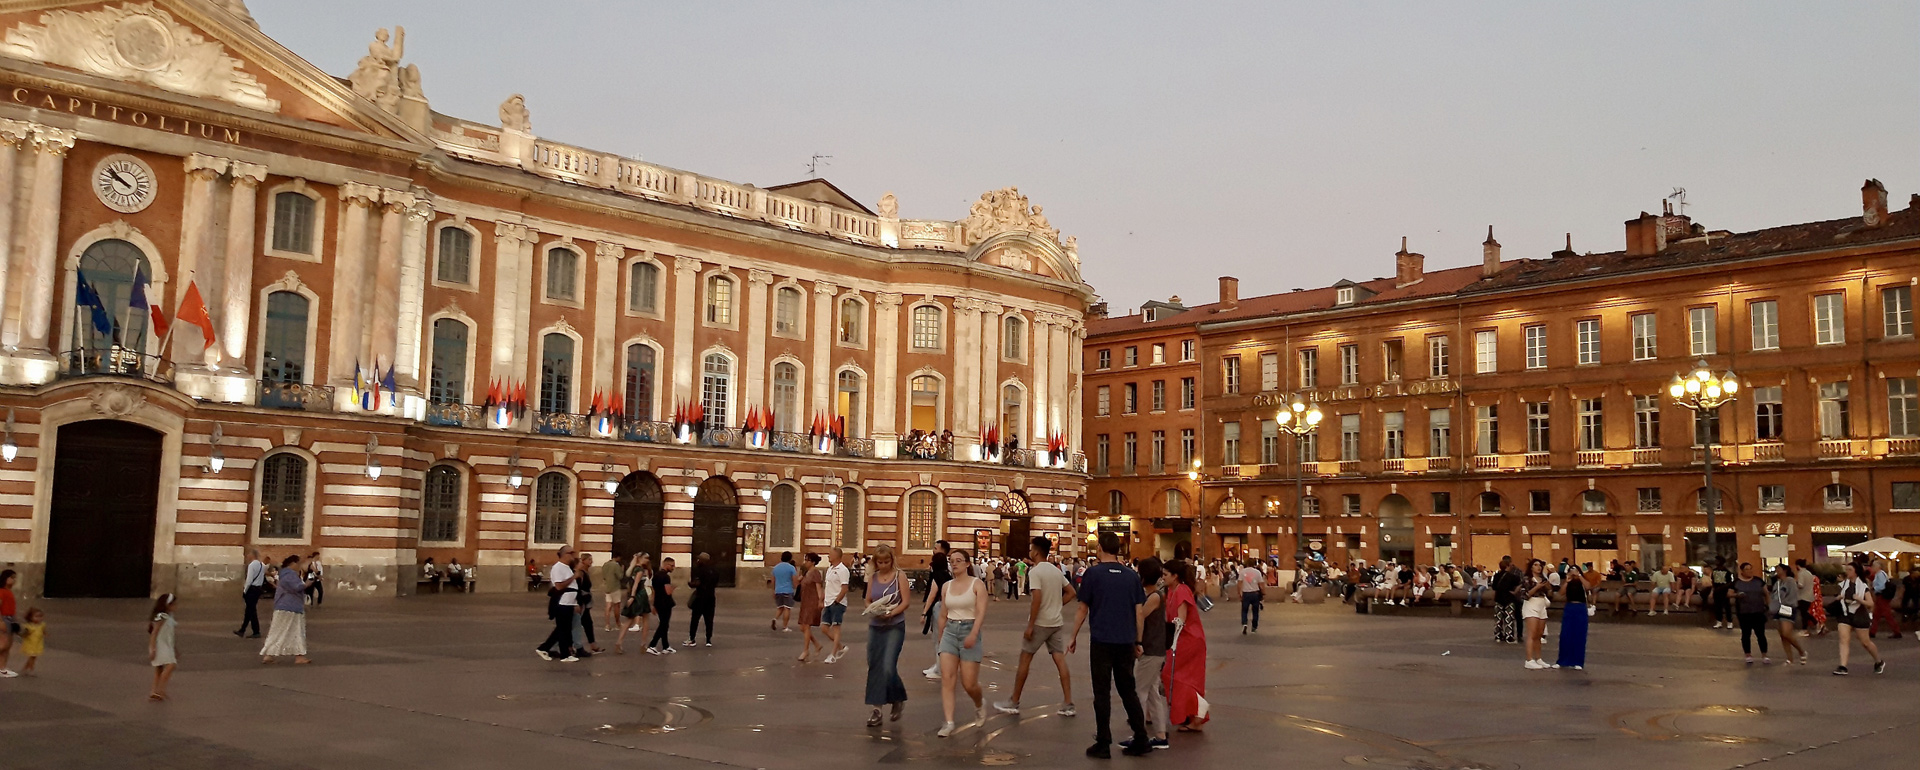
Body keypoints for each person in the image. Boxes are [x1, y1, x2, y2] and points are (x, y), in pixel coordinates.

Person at [1067, 532, 1151, 758]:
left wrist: (1073, 636)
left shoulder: (1093, 574)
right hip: (1125, 641)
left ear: (1100, 549)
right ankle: (1141, 737)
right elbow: (1139, 612)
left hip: (1102, 641)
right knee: (1128, 690)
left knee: (1101, 692)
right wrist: (1138, 640)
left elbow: (1082, 609)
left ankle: (1103, 742)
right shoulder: (1131, 576)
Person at [995, 536, 1078, 717]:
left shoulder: (1035, 572)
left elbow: (1037, 599)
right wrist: (1057, 605)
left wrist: (1030, 625)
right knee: (1060, 662)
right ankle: (1068, 703)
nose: (1029, 552)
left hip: (1041, 623)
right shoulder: (1056, 571)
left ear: (1037, 552)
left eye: (1031, 549)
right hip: (1056, 622)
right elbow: (1071, 592)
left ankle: (1014, 701)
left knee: (1025, 660)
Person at [934, 548, 988, 738]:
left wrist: (973, 633)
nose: (954, 563)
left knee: (969, 683)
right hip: (950, 631)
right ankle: (948, 722)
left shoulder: (977, 584)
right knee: (947, 679)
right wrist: (941, 637)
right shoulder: (946, 586)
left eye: (958, 560)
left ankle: (980, 704)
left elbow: (981, 612)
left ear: (967, 564)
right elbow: (942, 614)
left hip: (969, 629)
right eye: (951, 560)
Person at [863, 545, 910, 727]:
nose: (883, 565)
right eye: (879, 562)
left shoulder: (900, 576)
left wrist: (891, 613)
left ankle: (898, 698)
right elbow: (867, 598)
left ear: (892, 560)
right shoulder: (873, 577)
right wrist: (871, 608)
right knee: (874, 665)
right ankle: (877, 709)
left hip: (894, 626)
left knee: (888, 666)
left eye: (886, 562)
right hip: (876, 625)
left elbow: (905, 602)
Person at [1165, 559, 1209, 734]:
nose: (1163, 578)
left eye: (1166, 574)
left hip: (1187, 639)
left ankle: (1197, 710)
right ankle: (1192, 713)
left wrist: (1172, 641)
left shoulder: (1181, 591)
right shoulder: (1172, 590)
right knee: (1182, 677)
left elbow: (1180, 619)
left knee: (1176, 676)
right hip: (1185, 638)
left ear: (1175, 576)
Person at [1133, 557, 1172, 750]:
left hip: (1150, 649)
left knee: (1139, 691)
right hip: (1156, 650)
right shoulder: (1155, 595)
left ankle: (1138, 735)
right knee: (1152, 692)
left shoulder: (1154, 597)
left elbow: (1139, 616)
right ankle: (1160, 735)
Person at [260, 553, 315, 664]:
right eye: (298, 563)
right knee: (296, 631)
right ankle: (297, 656)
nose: (299, 566)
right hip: (289, 607)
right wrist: (307, 584)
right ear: (293, 563)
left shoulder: (285, 574)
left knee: (280, 631)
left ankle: (271, 654)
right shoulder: (289, 575)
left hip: (286, 606)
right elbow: (296, 587)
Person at [1832, 563, 1885, 675]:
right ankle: (1843, 666)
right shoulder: (1843, 584)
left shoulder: (1863, 586)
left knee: (1865, 642)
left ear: (1856, 571)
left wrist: (1860, 600)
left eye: (1850, 569)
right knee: (1843, 639)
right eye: (1846, 569)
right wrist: (1839, 598)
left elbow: (1870, 603)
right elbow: (1839, 596)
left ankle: (1878, 661)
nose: (1847, 572)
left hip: (1859, 615)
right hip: (1845, 614)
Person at [535, 545, 581, 662]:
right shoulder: (558, 568)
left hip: (569, 602)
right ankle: (563, 654)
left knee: (563, 629)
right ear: (565, 554)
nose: (573, 556)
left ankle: (548, 649)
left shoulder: (567, 567)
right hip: (562, 602)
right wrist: (573, 577)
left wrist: (575, 603)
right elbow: (559, 586)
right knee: (562, 629)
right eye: (571, 553)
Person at [921, 540, 953, 679]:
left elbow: (932, 594)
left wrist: (924, 612)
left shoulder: (940, 572)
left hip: (939, 606)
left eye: (935, 548)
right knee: (941, 638)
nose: (933, 551)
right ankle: (938, 665)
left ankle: (941, 669)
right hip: (946, 605)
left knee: (939, 639)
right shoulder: (947, 572)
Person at [1730, 562, 1772, 664]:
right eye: (1747, 569)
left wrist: (1768, 606)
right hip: (1744, 612)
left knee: (1761, 634)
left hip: (1758, 611)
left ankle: (1764, 654)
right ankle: (1748, 654)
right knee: (1746, 634)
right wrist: (1737, 595)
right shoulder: (1736, 582)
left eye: (1750, 569)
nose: (1750, 571)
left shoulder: (1758, 581)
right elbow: (1729, 594)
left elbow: (1766, 593)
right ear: (1742, 571)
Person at [1771, 564, 1809, 665]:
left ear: (1785, 570)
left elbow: (1792, 595)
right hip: (1778, 608)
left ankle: (1801, 651)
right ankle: (1789, 658)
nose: (1777, 571)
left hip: (1788, 607)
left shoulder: (1790, 581)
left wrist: (1786, 603)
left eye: (1779, 569)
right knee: (1782, 635)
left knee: (1786, 633)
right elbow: (1774, 595)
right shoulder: (1777, 583)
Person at [616, 553, 653, 654]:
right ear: (640, 559)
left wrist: (630, 596)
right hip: (640, 595)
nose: (647, 560)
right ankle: (643, 644)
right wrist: (632, 597)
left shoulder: (632, 569)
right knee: (645, 620)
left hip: (634, 595)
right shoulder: (640, 570)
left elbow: (630, 583)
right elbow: (636, 584)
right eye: (645, 558)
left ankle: (619, 642)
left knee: (629, 620)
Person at [1520, 559, 1553, 669]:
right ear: (1531, 567)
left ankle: (1539, 659)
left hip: (1541, 603)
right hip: (1531, 604)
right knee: (1532, 633)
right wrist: (1537, 587)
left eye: (1540, 565)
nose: (1538, 567)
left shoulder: (1543, 579)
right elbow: (1525, 595)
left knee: (1539, 634)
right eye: (1535, 565)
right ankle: (1529, 659)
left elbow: (1550, 593)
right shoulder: (1527, 579)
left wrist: (1548, 587)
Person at [1555, 567, 1589, 670]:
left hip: (1581, 607)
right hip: (1569, 607)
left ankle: (1578, 661)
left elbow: (1588, 587)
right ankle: (1562, 660)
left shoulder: (1582, 581)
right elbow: (1560, 593)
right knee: (1565, 634)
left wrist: (1579, 576)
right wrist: (1567, 581)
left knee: (1579, 635)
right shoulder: (1568, 582)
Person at [823, 548, 852, 663]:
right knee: (824, 628)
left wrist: (837, 601)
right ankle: (841, 647)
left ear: (837, 556)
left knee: (836, 628)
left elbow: (845, 588)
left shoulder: (843, 570)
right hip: (828, 602)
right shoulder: (830, 569)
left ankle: (833, 654)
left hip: (837, 603)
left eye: (830, 554)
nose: (828, 556)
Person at [147, 593, 177, 700]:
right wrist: (152, 648)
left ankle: (154, 691)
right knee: (171, 665)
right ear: (168, 604)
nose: (176, 606)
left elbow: (170, 634)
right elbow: (154, 632)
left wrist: (174, 648)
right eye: (174, 604)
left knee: (159, 669)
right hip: (160, 644)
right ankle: (160, 689)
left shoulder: (169, 616)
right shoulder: (162, 616)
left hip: (167, 644)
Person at [796, 553, 825, 662]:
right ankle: (817, 645)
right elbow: (797, 583)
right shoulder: (806, 572)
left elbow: (819, 588)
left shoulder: (816, 573)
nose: (805, 562)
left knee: (807, 626)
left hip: (812, 602)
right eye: (805, 560)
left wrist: (820, 601)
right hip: (805, 602)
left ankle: (805, 650)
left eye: (808, 560)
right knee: (802, 627)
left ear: (813, 562)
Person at [686, 552, 719, 647]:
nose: (697, 561)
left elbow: (697, 583)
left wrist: (690, 584)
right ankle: (708, 640)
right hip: (711, 597)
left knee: (695, 619)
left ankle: (692, 639)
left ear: (702, 560)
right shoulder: (714, 571)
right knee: (709, 620)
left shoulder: (700, 570)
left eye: (699, 559)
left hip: (700, 597)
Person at [647, 557, 678, 654]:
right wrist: (674, 587)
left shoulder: (656, 575)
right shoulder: (665, 577)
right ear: (666, 565)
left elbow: (654, 591)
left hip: (658, 602)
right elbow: (668, 592)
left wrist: (653, 604)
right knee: (664, 624)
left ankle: (666, 645)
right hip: (665, 603)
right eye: (672, 565)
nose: (673, 568)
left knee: (664, 624)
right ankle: (652, 645)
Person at [574, 553, 602, 654]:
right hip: (582, 601)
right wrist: (579, 602)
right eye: (589, 560)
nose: (591, 562)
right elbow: (578, 588)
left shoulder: (585, 572)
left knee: (587, 623)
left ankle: (592, 644)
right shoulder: (580, 573)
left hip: (585, 601)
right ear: (583, 560)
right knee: (578, 624)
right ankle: (573, 646)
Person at [235, 549, 266, 638]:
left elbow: (249, 579)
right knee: (249, 610)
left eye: (249, 554)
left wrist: (245, 590)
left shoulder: (252, 565)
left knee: (251, 611)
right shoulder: (262, 565)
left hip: (251, 589)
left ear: (252, 555)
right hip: (258, 589)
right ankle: (242, 630)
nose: (248, 556)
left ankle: (256, 631)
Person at [1869, 559, 1901, 639]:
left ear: (1878, 567)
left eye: (1874, 566)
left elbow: (1881, 586)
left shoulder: (1879, 574)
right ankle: (1872, 631)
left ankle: (1896, 631)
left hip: (1882, 596)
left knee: (1886, 614)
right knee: (1877, 614)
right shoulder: (1880, 574)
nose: (1872, 567)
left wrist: (1874, 588)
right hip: (1882, 596)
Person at [1492, 557, 1520, 644]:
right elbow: (1520, 583)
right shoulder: (1513, 577)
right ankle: (1509, 636)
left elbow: (1494, 587)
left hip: (1498, 598)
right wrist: (1515, 592)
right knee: (1509, 618)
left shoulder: (1496, 576)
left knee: (1498, 619)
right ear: (1508, 566)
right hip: (1509, 598)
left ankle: (1498, 635)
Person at [770, 551, 798, 632]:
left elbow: (773, 581)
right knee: (787, 608)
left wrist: (773, 591)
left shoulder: (776, 568)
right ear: (790, 558)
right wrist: (797, 588)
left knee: (780, 607)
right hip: (788, 590)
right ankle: (785, 626)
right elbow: (794, 580)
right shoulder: (791, 568)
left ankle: (775, 619)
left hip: (778, 590)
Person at [603, 553, 628, 632]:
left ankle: (607, 624)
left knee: (608, 606)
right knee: (616, 606)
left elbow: (604, 576)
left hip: (607, 587)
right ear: (618, 557)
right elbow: (620, 576)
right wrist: (622, 570)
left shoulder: (605, 564)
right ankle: (618, 623)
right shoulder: (616, 565)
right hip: (615, 587)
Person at [1238, 558, 1264, 633]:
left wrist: (1239, 593)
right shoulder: (1257, 572)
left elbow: (1239, 583)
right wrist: (1263, 593)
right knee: (1255, 611)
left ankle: (1244, 623)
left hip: (1246, 593)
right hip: (1255, 593)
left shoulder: (1242, 572)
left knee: (1244, 610)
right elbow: (1261, 584)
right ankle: (1254, 626)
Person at [16, 607, 43, 675]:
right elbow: (24, 634)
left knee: (33, 657)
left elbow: (42, 631)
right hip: (31, 644)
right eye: (36, 616)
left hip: (37, 644)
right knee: (32, 657)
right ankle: (31, 669)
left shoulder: (41, 625)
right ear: (30, 618)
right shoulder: (29, 627)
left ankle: (25, 668)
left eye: (40, 616)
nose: (39, 618)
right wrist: (20, 633)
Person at [1709, 558, 1735, 629]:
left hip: (1724, 591)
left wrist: (1728, 590)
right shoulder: (1714, 571)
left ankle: (1729, 622)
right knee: (1717, 607)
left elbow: (1730, 583)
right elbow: (1713, 582)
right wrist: (1712, 591)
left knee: (1727, 607)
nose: (1715, 562)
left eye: (1717, 560)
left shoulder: (1727, 571)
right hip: (1717, 591)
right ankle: (1719, 621)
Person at [0, 569, 15, 677]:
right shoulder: (1, 592)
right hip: (4, 618)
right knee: (3, 645)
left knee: (8, 645)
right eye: (12, 577)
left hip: (10, 618)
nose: (14, 580)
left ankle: (2, 668)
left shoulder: (9, 591)